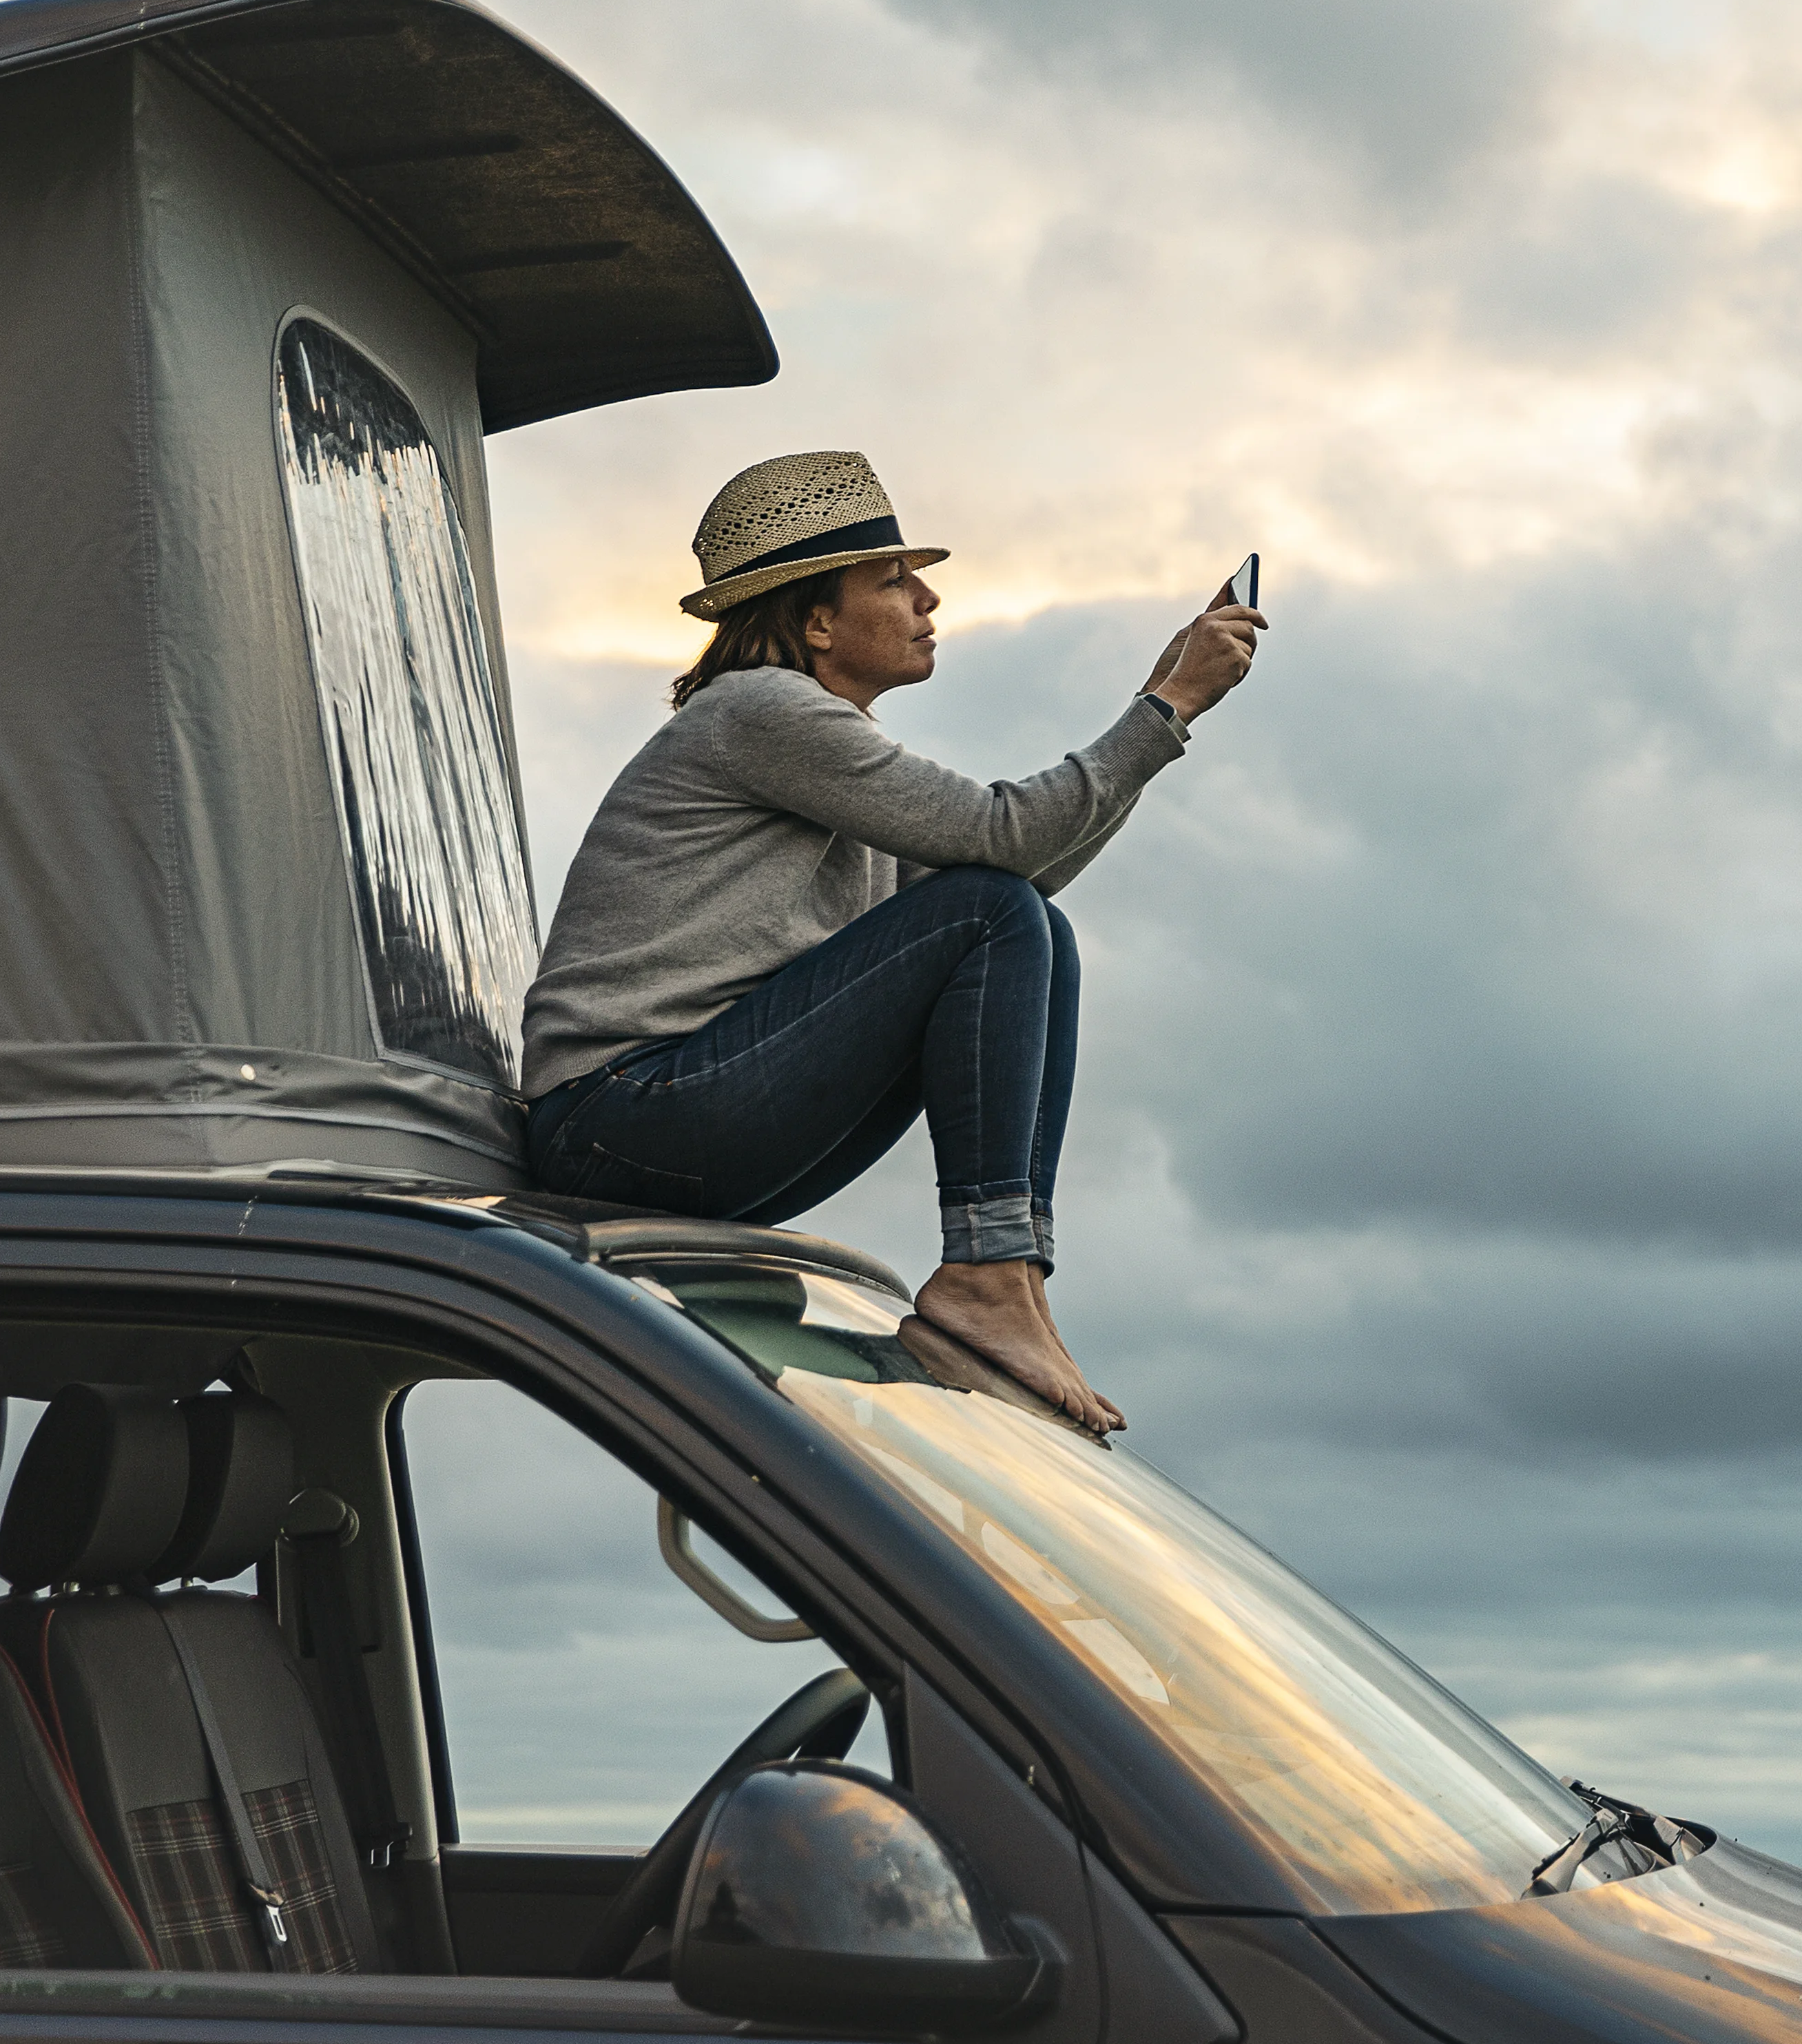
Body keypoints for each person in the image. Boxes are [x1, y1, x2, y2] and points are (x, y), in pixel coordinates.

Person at [518, 450, 1260, 1431]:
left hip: (672, 1116)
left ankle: (1012, 1282)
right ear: (816, 620)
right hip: (619, 1116)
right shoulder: (763, 710)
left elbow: (1016, 880)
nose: (928, 597)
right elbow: (1003, 855)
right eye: (894, 579)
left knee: (1027, 921)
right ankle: (988, 1276)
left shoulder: (818, 749)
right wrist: (1167, 711)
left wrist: (1160, 703)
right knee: (994, 912)